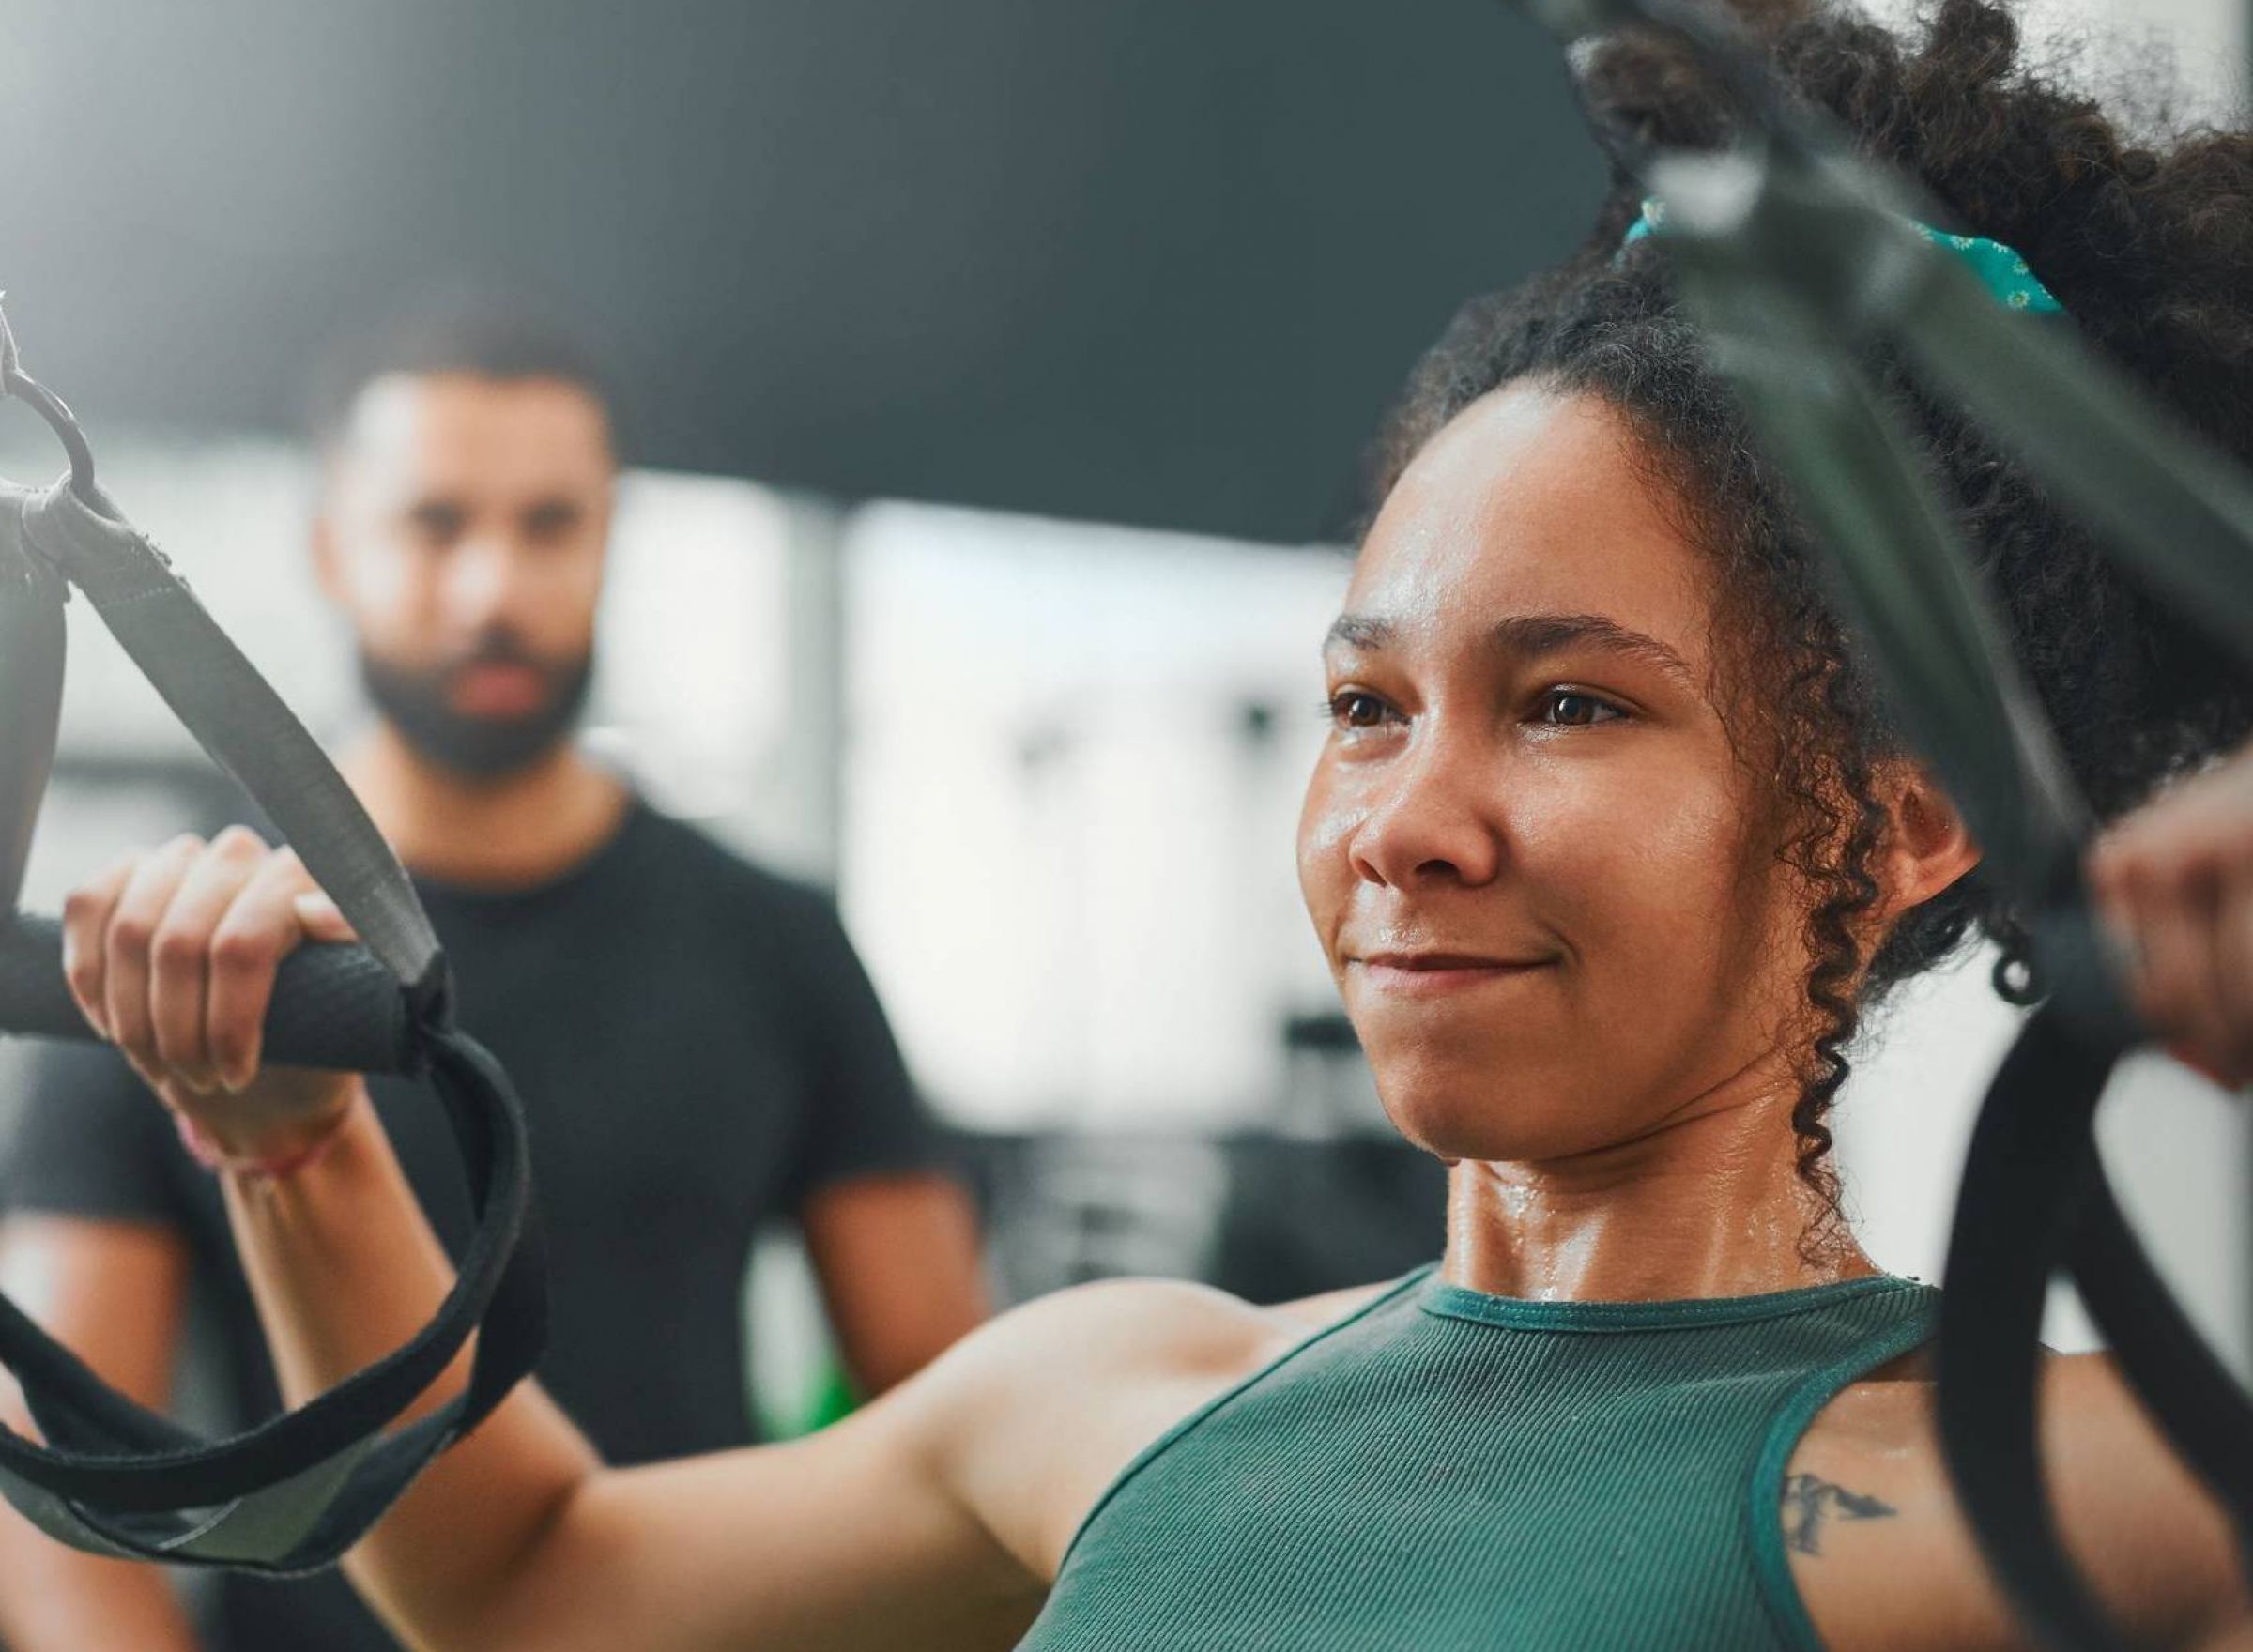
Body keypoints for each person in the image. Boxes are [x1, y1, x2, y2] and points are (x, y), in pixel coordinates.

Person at [33, 4, 2253, 1646]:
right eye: (1367, 705)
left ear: (1912, 817)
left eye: (1568, 703)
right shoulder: (1132, 1390)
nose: (1406, 819)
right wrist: (292, 1143)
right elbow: (527, 1585)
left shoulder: (2029, 1507)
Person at [0, 303, 989, 1651]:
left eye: (546, 526)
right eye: (435, 524)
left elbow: (940, 1414)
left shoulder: (777, 943)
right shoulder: (186, 955)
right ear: (330, 549)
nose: (492, 591)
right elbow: (61, 1514)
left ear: (609, 540)